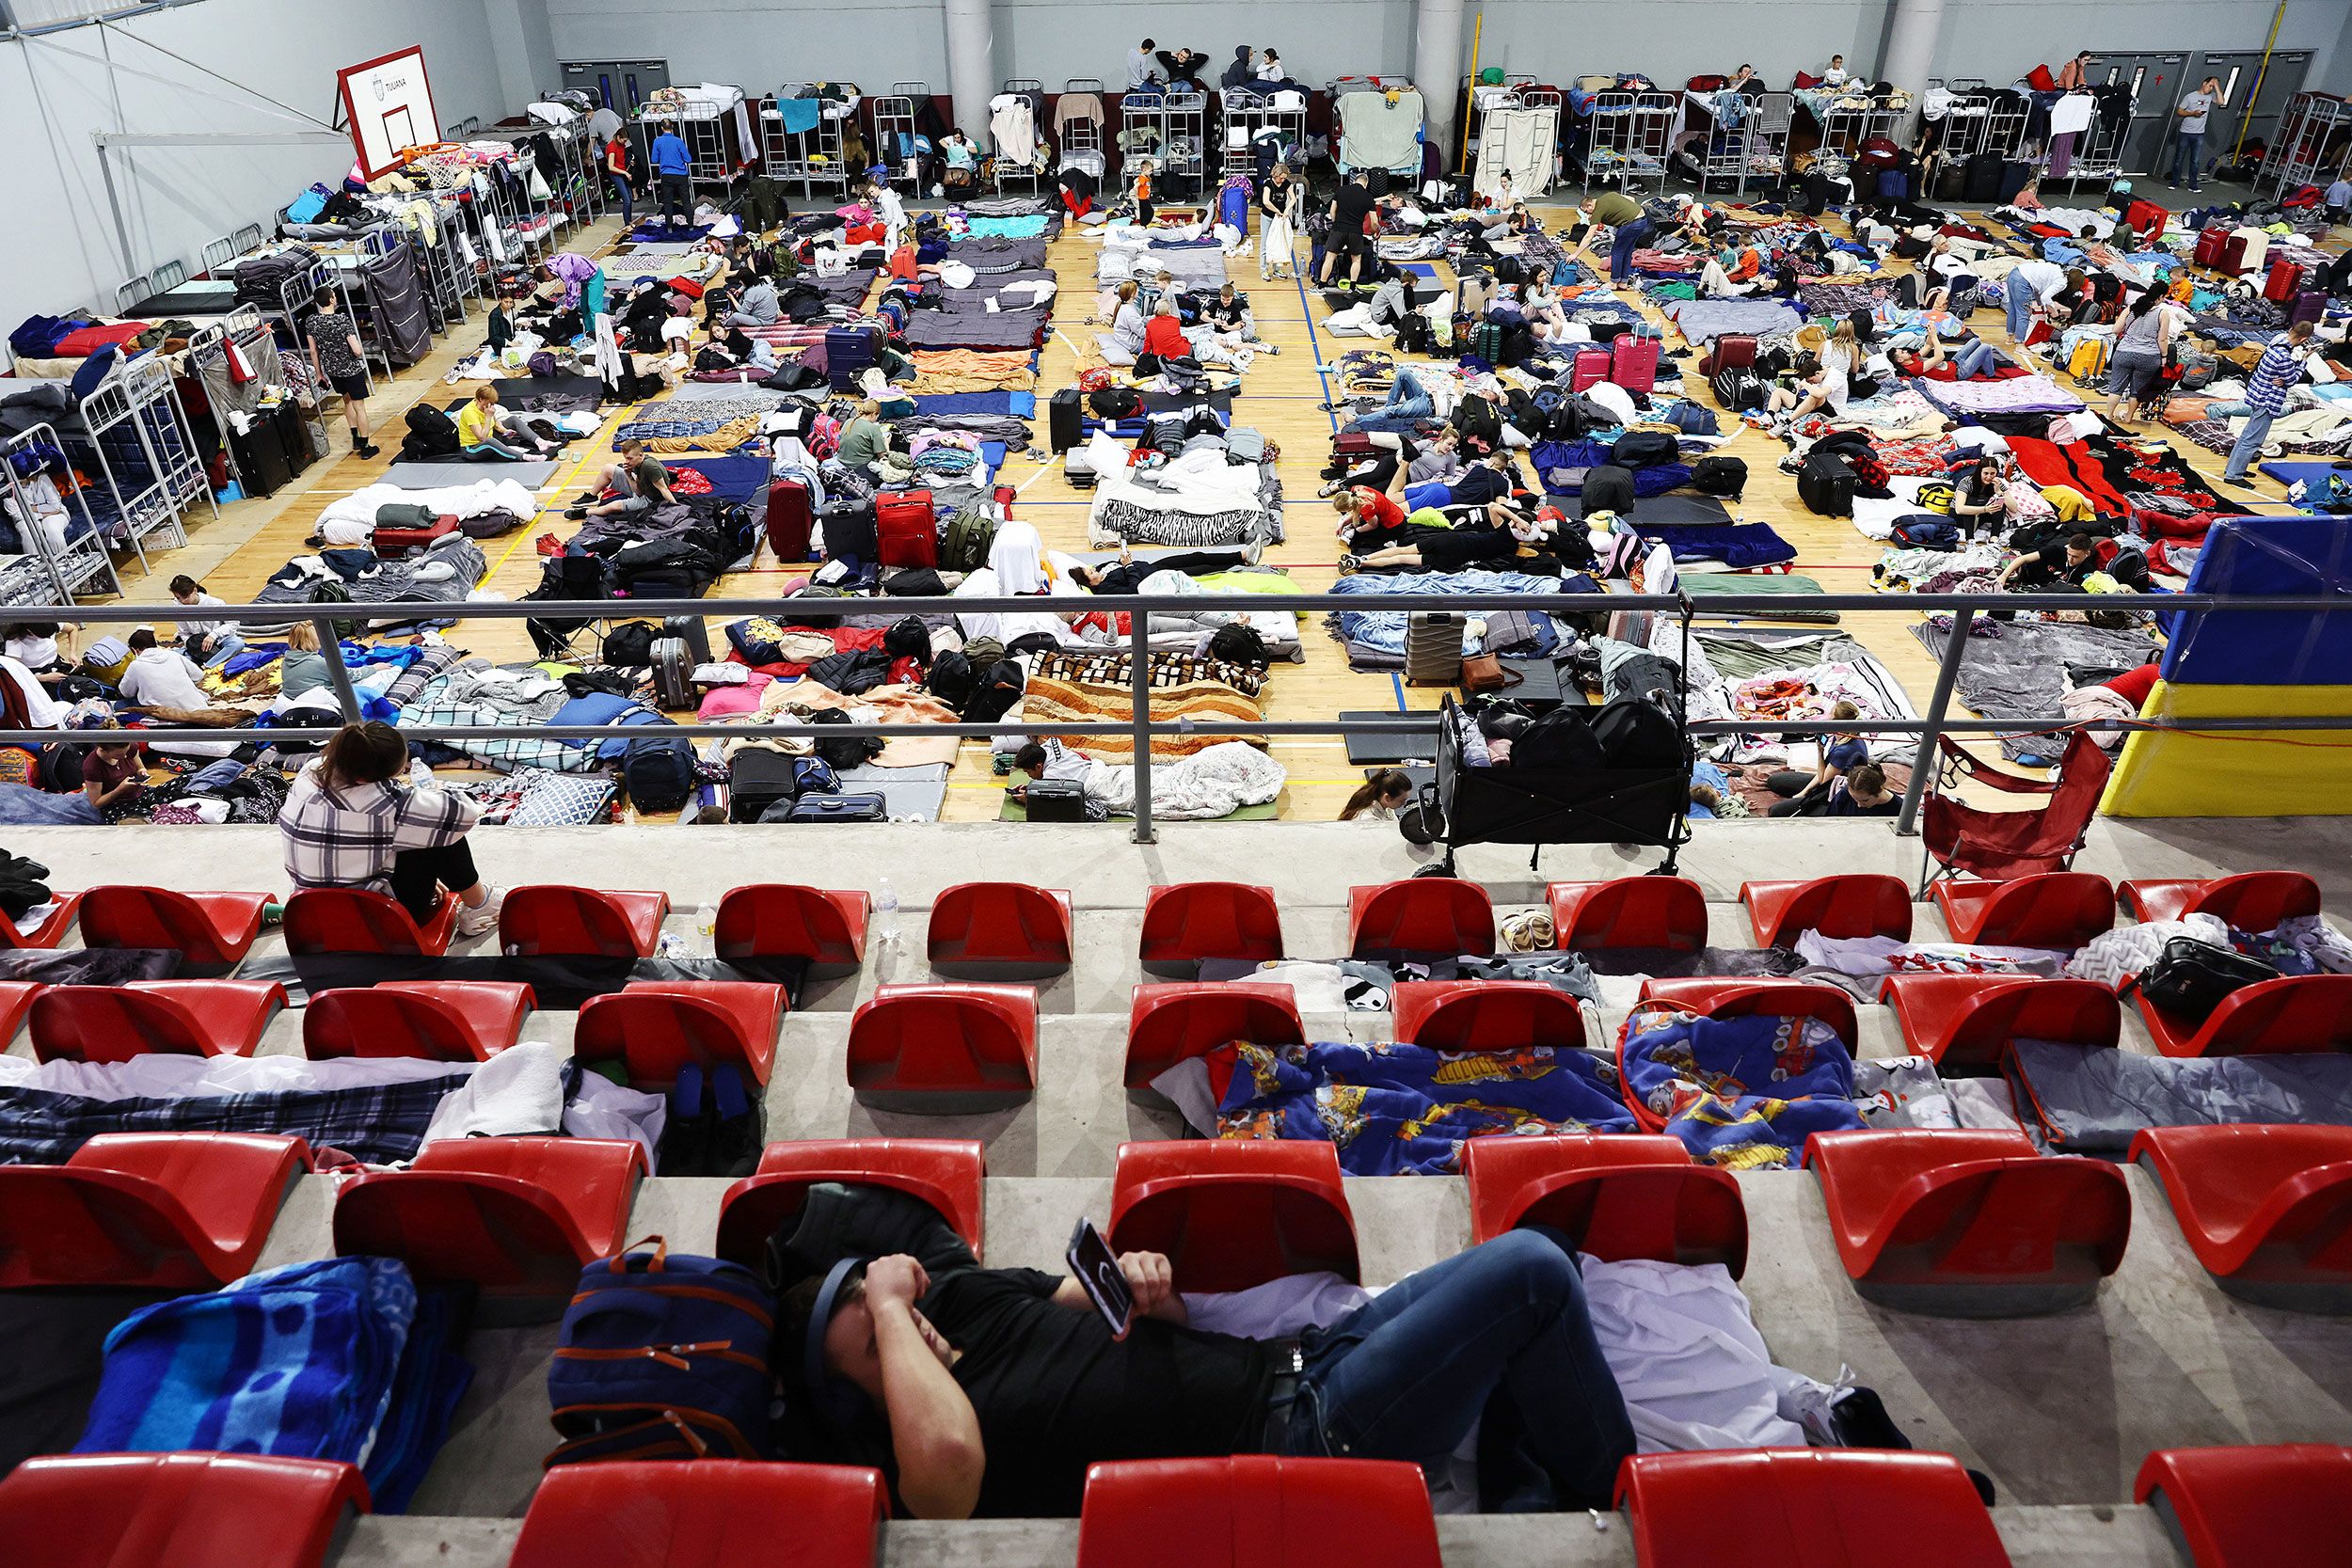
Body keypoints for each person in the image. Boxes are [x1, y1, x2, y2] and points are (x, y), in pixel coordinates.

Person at [776, 1225, 1635, 1519]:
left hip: (1305, 1360)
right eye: (865, 1322)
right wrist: (887, 1307)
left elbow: (1110, 1305)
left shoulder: (968, 1304)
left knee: (1550, 1252)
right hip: (1305, 1438)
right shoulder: (916, 1446)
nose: (892, 1308)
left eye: (877, 1293)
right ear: (846, 1377)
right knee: (1530, 1274)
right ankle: (1617, 1496)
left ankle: (1526, 1492)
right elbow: (948, 1486)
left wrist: (1149, 1287)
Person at [280, 721, 503, 936]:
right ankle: (480, 905)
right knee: (442, 831)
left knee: (409, 830)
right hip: (375, 919)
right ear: (393, 769)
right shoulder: (391, 804)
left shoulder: (310, 772)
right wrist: (432, 791)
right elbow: (466, 813)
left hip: (311, 910)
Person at [2223, 320, 2317, 488]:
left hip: (2256, 393)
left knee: (2247, 435)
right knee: (2252, 440)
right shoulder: (2284, 358)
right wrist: (2303, 360)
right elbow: (2291, 380)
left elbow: (2285, 377)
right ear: (2304, 340)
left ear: (2290, 329)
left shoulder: (2278, 339)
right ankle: (2233, 475)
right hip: (2267, 400)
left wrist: (2287, 373)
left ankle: (2235, 468)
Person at [303, 288, 376, 460]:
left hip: (332, 371)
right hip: (351, 370)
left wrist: (319, 374)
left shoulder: (311, 321)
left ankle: (355, 438)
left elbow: (313, 351)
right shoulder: (341, 320)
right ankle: (366, 446)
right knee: (360, 407)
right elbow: (357, 350)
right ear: (330, 300)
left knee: (347, 402)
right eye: (334, 296)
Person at [1765, 702, 1867, 816]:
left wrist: (1820, 753)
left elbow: (1824, 781)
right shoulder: (1844, 737)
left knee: (1775, 811)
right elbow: (1821, 776)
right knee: (1774, 781)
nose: (1828, 717)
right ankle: (1804, 796)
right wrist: (1804, 792)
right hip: (1827, 780)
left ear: (1838, 722)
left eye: (1831, 715)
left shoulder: (1843, 752)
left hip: (1830, 792)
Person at [1766, 320, 1859, 428]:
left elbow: (1814, 363)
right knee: (1779, 391)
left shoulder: (1825, 345)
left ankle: (1786, 423)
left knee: (1815, 395)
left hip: (1828, 395)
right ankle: (1769, 416)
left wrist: (1805, 383)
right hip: (1824, 386)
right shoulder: (1853, 348)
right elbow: (1855, 369)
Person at [2104, 289, 2173, 427]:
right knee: (2137, 390)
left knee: (2116, 387)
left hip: (2124, 352)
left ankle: (2109, 415)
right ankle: (2128, 416)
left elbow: (2115, 329)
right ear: (2160, 297)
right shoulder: (2162, 313)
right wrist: (2164, 356)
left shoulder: (2131, 308)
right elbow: (2162, 339)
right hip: (2148, 356)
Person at [1069, 543, 1260, 594]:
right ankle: (1241, 561)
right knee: (1201, 567)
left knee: (1195, 557)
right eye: (1091, 573)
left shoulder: (1101, 569)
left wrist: (1124, 559)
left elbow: (1118, 565)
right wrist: (1128, 567)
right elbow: (1132, 589)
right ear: (1090, 584)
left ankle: (1241, 555)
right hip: (1158, 577)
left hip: (1154, 566)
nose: (1095, 570)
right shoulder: (1106, 589)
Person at [1562, 191, 1651, 290]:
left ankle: (1613, 282)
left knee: (1617, 252)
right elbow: (1631, 199)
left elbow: (1588, 237)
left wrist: (1575, 254)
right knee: (1627, 252)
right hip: (1643, 219)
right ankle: (1623, 282)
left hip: (1630, 224)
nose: (1587, 214)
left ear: (1590, 205)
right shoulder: (1609, 195)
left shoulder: (1597, 211)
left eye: (1586, 211)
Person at [567, 439, 675, 519]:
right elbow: (638, 491)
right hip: (643, 492)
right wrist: (628, 475)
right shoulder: (637, 463)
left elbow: (664, 489)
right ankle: (591, 496)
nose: (627, 461)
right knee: (607, 469)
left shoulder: (649, 467)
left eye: (629, 458)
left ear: (640, 455)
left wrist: (677, 508)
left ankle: (585, 512)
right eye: (626, 458)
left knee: (613, 506)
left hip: (649, 500)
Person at [117, 627, 212, 712]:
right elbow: (198, 675)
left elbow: (126, 693)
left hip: (166, 712)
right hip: (197, 707)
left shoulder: (136, 665)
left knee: (119, 705)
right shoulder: (173, 654)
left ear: (135, 650)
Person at [458, 386, 559, 461]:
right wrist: (488, 417)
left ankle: (540, 442)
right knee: (490, 441)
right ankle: (526, 457)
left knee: (513, 419)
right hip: (472, 449)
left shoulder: (486, 406)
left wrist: (504, 431)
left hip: (490, 436)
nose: (492, 405)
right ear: (481, 399)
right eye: (491, 403)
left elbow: (495, 422)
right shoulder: (469, 412)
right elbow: (482, 438)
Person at [168, 575, 245, 669]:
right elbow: (183, 633)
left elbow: (233, 623)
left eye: (186, 597)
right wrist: (192, 644)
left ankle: (207, 666)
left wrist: (213, 635)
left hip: (220, 639)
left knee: (237, 643)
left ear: (195, 591)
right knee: (173, 656)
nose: (183, 601)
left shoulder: (215, 603)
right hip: (198, 644)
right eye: (179, 598)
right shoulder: (177, 607)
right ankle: (215, 659)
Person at [1320, 171, 1377, 287]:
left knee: (1330, 257)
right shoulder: (1369, 197)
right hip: (1356, 231)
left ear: (1354, 180)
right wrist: (1373, 231)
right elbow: (1375, 222)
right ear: (1366, 184)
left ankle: (1321, 285)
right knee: (1356, 259)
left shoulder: (1341, 190)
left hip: (1338, 229)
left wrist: (1337, 224)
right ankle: (1352, 287)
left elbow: (1332, 211)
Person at [2001, 259, 2073, 349]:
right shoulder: (2062, 282)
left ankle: (2010, 338)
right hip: (2022, 279)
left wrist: (2043, 307)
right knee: (2024, 313)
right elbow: (2045, 297)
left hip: (2014, 273)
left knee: (2013, 308)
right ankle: (2020, 345)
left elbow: (2039, 291)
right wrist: (2054, 312)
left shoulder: (2058, 270)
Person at [2166, 76, 2218, 191]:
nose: (2210, 88)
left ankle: (2192, 185)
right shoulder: (2190, 96)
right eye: (2210, 85)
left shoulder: (2211, 97)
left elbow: (2221, 101)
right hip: (2185, 132)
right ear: (2204, 83)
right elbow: (2179, 111)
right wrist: (2192, 113)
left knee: (2195, 161)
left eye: (2212, 87)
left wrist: (2217, 86)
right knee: (2179, 159)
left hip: (2199, 134)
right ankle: (2174, 182)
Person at [1008, 737, 1092, 804]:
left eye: (1028, 772)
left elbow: (1051, 803)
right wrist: (1032, 788)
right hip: (1092, 767)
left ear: (1038, 766)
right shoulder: (1048, 749)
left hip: (1096, 784)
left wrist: (1028, 800)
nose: (1029, 776)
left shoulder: (1051, 775)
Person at [1951, 455, 2010, 541]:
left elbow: (2014, 508)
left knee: (2000, 504)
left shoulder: (1997, 483)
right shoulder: (1967, 482)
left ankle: (1994, 537)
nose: (1989, 477)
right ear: (1980, 472)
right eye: (1986, 473)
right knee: (1971, 501)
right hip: (1961, 517)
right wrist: (1985, 509)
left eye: (1992, 474)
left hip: (1979, 516)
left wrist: (1999, 492)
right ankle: (1970, 539)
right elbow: (1959, 509)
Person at [1258, 166, 1301, 280]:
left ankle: (1277, 269)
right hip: (1268, 216)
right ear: (1275, 175)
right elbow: (1266, 201)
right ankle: (1264, 269)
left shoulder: (1286, 183)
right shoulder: (1268, 185)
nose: (1282, 180)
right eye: (1281, 178)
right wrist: (1276, 211)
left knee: (1280, 241)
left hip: (1280, 217)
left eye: (1284, 178)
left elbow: (1293, 198)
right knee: (1265, 243)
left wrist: (1286, 210)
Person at [648, 121, 694, 226]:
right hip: (681, 175)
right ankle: (690, 225)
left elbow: (654, 159)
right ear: (672, 127)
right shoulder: (678, 141)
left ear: (661, 128)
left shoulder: (657, 141)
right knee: (686, 201)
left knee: (668, 202)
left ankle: (669, 227)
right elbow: (688, 159)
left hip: (666, 175)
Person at [278, 621, 334, 702]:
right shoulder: (318, 662)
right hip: (317, 701)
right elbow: (345, 676)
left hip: (291, 699)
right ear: (311, 640)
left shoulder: (285, 661)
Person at [1825, 762, 1900, 817]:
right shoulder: (1844, 794)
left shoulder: (1898, 810)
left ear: (1880, 790)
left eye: (1865, 800)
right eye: (1854, 799)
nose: (1859, 805)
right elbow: (1828, 821)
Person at [837, 401, 892, 472]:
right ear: (873, 414)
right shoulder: (874, 428)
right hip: (859, 466)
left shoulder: (849, 421)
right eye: (877, 416)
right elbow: (881, 455)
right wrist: (886, 443)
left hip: (841, 460)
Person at [1340, 768, 1414, 820]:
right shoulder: (1369, 820)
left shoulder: (1385, 805)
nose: (1404, 803)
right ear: (1387, 798)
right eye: (1401, 800)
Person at [1142, 298, 1189, 362]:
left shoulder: (1150, 324)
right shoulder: (1175, 321)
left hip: (1160, 357)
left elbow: (1148, 344)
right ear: (1168, 311)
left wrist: (1144, 357)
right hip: (1178, 354)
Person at [604, 130, 634, 225]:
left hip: (623, 172)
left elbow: (621, 158)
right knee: (627, 200)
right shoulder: (611, 147)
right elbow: (611, 167)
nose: (624, 143)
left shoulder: (621, 145)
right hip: (616, 175)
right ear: (618, 137)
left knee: (629, 197)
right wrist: (625, 173)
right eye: (623, 141)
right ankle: (627, 223)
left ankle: (629, 221)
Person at [938, 130, 978, 195]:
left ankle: (964, 183)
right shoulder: (950, 139)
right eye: (955, 138)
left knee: (963, 168)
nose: (956, 139)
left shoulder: (967, 141)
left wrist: (965, 148)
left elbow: (975, 150)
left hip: (965, 161)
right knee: (950, 168)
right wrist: (949, 148)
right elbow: (941, 141)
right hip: (954, 161)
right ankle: (950, 185)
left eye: (958, 137)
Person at [1129, 157, 1158, 227]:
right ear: (1144, 170)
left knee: (1144, 211)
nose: (1151, 173)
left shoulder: (1144, 177)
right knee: (1149, 211)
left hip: (1144, 198)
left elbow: (1135, 181)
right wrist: (1137, 194)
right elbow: (1136, 186)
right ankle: (1143, 223)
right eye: (1150, 171)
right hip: (1142, 198)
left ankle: (1143, 224)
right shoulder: (1143, 178)